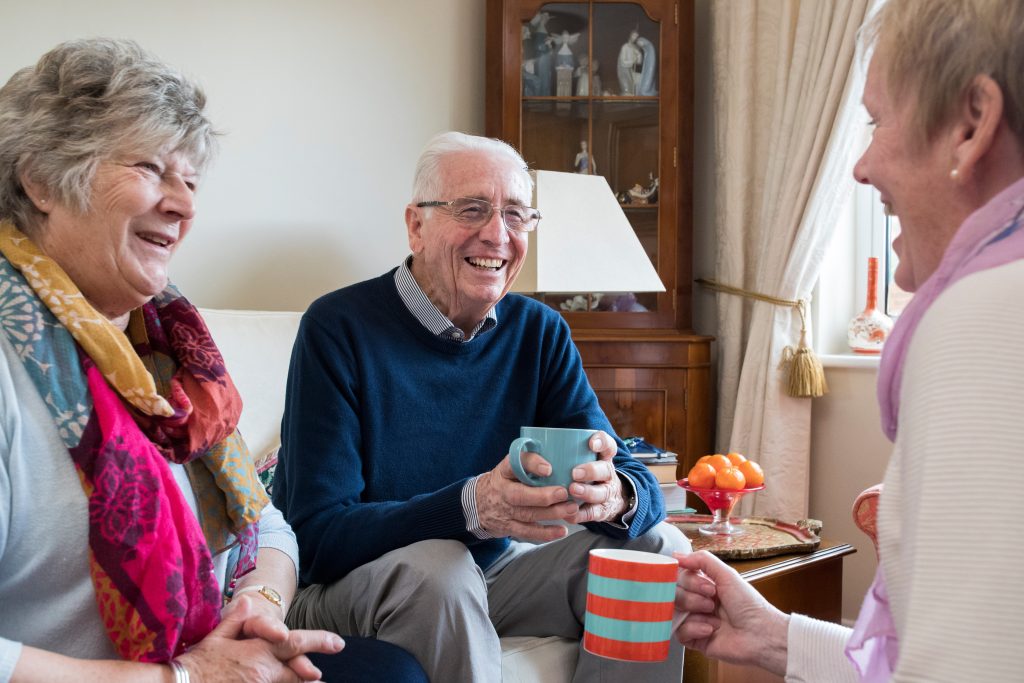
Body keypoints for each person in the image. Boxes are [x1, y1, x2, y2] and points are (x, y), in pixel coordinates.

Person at [0, 38, 426, 683]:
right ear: (39, 180)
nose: (185, 205)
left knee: (391, 671)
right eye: (148, 167)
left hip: (204, 655)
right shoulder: (12, 364)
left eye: (191, 181)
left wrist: (258, 607)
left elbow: (269, 526)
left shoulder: (171, 346)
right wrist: (185, 678)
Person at [673, 1, 1024, 680]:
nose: (861, 166)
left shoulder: (982, 318)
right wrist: (779, 638)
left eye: (878, 120)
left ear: (972, 123)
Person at [274, 131, 691, 682]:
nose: (497, 234)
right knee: (440, 569)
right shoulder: (337, 329)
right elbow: (317, 537)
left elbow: (631, 474)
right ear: (416, 226)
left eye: (517, 215)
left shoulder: (538, 332)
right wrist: (470, 508)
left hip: (493, 575)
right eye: (472, 209)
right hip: (353, 584)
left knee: (654, 546)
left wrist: (614, 494)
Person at [617, 29, 642, 96]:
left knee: (638, 82)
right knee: (627, 91)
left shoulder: (635, 48)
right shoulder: (625, 47)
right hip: (625, 72)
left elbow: (639, 63)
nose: (635, 38)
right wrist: (633, 61)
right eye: (634, 35)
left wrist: (639, 56)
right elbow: (623, 62)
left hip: (633, 72)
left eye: (636, 37)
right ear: (630, 35)